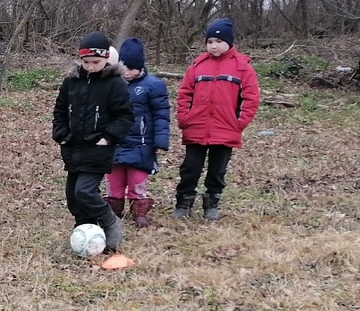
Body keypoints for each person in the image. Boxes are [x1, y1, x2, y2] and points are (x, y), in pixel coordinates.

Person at [52, 31, 134, 252]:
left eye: (95, 62)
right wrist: (61, 134)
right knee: (72, 197)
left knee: (85, 191)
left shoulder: (115, 84)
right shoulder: (71, 82)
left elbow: (125, 116)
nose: (89, 67)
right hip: (73, 148)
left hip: (99, 149)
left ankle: (110, 221)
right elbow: (60, 110)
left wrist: (108, 138)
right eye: (85, 62)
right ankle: (85, 230)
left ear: (106, 58)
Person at [173, 18, 260, 220]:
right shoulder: (197, 65)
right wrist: (184, 118)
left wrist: (239, 123)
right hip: (196, 127)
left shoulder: (242, 67)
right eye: (210, 41)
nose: (213, 46)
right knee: (190, 168)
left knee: (217, 170)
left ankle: (211, 204)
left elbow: (251, 98)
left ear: (229, 42)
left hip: (226, 129)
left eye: (218, 41)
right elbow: (184, 93)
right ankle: (183, 203)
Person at [107, 37, 170, 228]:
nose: (126, 72)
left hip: (141, 144)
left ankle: (139, 211)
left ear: (140, 67)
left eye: (131, 68)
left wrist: (160, 140)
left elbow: (161, 114)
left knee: (137, 180)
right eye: (123, 67)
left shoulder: (153, 85)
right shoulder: (113, 83)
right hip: (115, 142)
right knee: (114, 180)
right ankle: (113, 210)